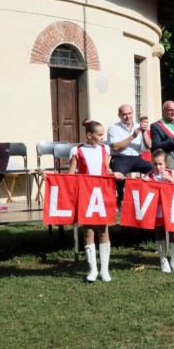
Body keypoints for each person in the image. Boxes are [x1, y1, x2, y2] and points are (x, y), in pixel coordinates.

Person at [69, 120, 125, 283]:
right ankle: (92, 269)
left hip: (103, 193)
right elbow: (71, 174)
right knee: (88, 230)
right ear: (89, 135)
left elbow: (106, 169)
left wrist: (114, 173)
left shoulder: (105, 149)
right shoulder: (77, 151)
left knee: (103, 229)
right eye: (100, 135)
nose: (103, 138)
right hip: (87, 194)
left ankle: (105, 269)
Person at [145, 149, 174, 274]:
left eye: (160, 164)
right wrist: (145, 182)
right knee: (159, 232)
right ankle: (163, 259)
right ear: (151, 163)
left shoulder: (173, 173)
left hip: (171, 208)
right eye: (155, 164)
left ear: (166, 163)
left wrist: (168, 178)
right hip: (157, 209)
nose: (158, 167)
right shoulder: (148, 176)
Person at [107, 104, 152, 204]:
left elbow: (149, 146)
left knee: (154, 170)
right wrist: (132, 136)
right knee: (119, 174)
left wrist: (144, 133)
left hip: (137, 158)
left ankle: (150, 196)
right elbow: (115, 147)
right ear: (119, 115)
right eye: (124, 114)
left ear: (133, 113)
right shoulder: (113, 128)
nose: (128, 117)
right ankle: (121, 199)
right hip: (120, 158)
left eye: (130, 113)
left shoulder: (138, 126)